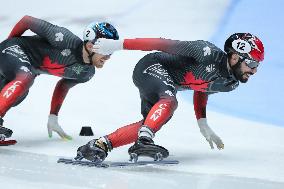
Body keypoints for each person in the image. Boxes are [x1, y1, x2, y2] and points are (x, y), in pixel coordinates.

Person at [76, 33, 265, 162]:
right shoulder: (204, 52)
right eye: (252, 63)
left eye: (258, 64)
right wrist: (118, 45)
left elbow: (203, 89)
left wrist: (203, 123)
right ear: (234, 57)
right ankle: (144, 141)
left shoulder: (230, 84)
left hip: (164, 85)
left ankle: (99, 145)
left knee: (151, 122)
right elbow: (159, 43)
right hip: (151, 66)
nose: (255, 70)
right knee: (169, 102)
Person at [0, 15, 119, 142]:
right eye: (107, 49)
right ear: (90, 46)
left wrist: (53, 116)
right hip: (14, 49)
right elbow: (26, 21)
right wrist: (5, 47)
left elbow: (63, 85)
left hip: (24, 68)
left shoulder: (86, 73)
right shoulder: (64, 39)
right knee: (26, 78)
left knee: (18, 96)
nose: (109, 56)